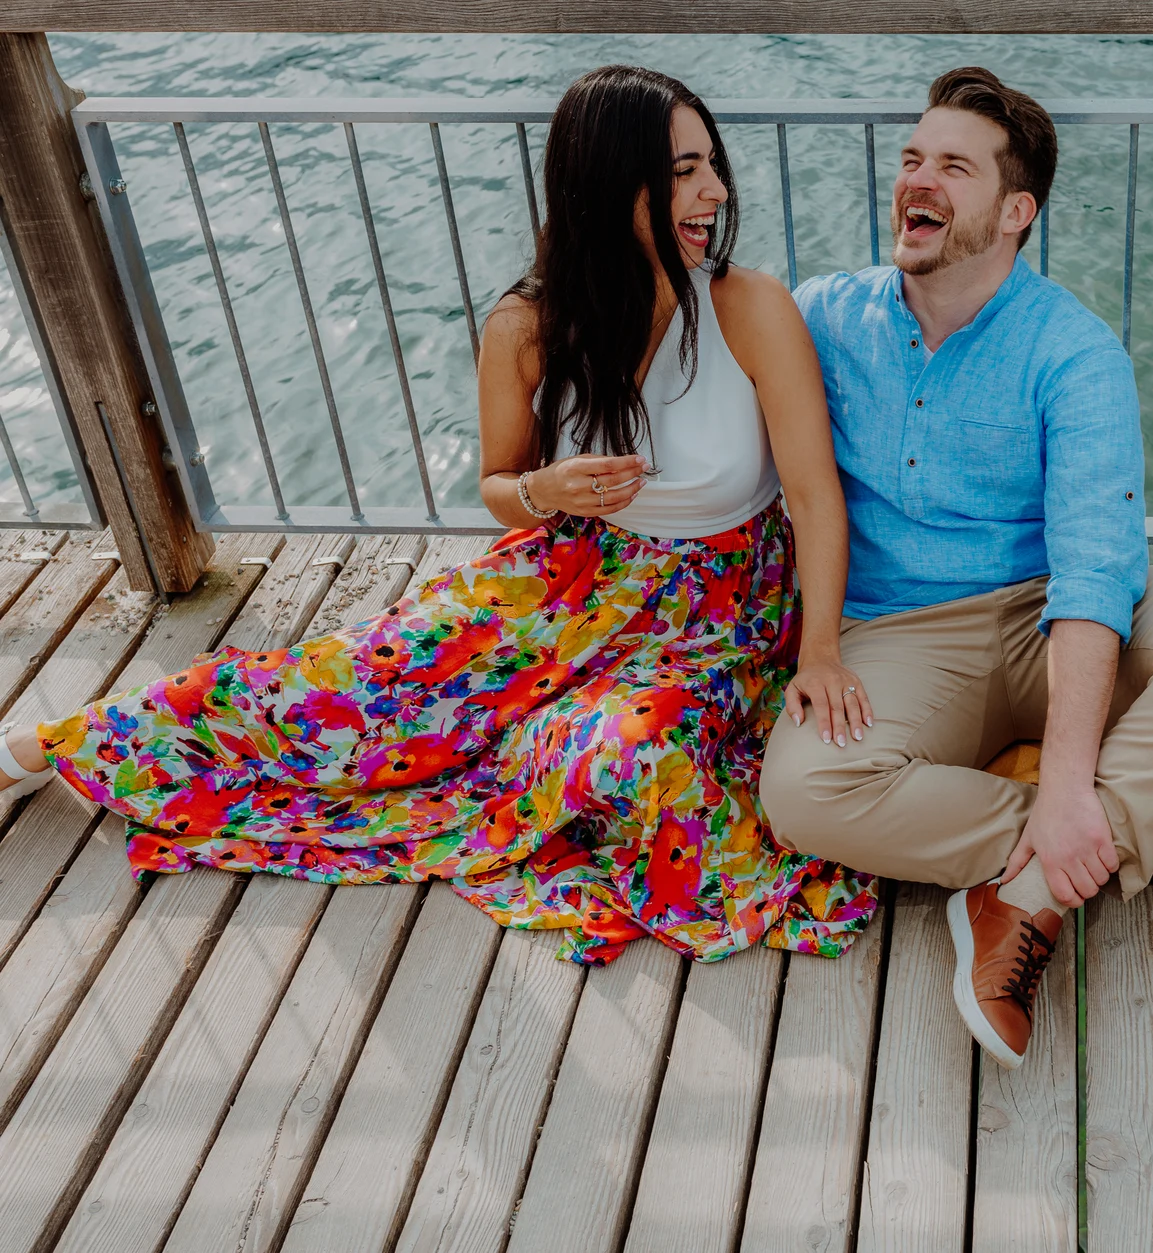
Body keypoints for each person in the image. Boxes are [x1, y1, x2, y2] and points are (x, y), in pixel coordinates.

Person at [0, 65, 876, 967]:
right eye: (685, 171)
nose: (715, 191)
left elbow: (812, 497)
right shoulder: (529, 325)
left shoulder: (749, 308)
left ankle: (526, 752)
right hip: (573, 577)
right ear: (615, 184)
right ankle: (44, 746)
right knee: (339, 687)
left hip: (718, 613)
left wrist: (819, 652)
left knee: (640, 751)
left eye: (711, 165)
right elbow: (500, 486)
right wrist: (551, 491)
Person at [762, 68, 1153, 1068]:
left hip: (1044, 614)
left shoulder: (1075, 351)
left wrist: (1066, 782)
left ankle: (1021, 888)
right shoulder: (821, 316)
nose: (916, 182)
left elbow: (1096, 572)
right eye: (911, 158)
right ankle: (1131, 832)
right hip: (897, 636)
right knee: (801, 795)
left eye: (953, 168)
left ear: (1014, 211)